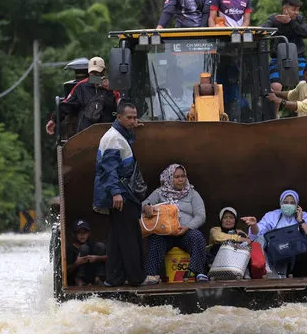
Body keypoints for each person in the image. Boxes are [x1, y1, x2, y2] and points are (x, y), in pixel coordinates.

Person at [92, 102, 159, 286]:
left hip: (122, 193)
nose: (133, 121)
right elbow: (109, 168)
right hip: (122, 195)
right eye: (129, 117)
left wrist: (132, 128)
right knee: (130, 236)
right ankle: (137, 278)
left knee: (117, 238)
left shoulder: (119, 135)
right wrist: (116, 193)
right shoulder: (114, 138)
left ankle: (114, 279)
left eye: (135, 117)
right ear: (118, 117)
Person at [142, 164, 209, 282]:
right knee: (155, 239)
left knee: (197, 237)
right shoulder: (159, 193)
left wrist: (188, 227)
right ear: (169, 178)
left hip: (185, 233)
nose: (181, 179)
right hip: (165, 234)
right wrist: (147, 207)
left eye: (183, 176)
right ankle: (151, 275)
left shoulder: (192, 193)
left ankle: (197, 273)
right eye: (177, 177)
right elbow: (144, 204)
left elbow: (201, 216)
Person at [242, 190, 307, 278]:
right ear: (280, 203)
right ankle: (267, 270)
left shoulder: (305, 216)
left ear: (297, 205)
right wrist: (254, 225)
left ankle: (298, 275)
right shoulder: (272, 215)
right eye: (285, 202)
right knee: (260, 238)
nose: (288, 205)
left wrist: (301, 221)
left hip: (298, 256)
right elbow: (257, 234)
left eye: (292, 203)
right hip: (277, 253)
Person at [261, 0, 307, 117]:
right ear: (285, 9)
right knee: (275, 86)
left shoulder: (299, 20)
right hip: (277, 58)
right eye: (294, 9)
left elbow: (306, 32)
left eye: (298, 10)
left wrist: (291, 22)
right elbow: (263, 29)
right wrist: (272, 28)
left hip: (298, 57)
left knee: (304, 85)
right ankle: (274, 115)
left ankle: (303, 114)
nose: (296, 12)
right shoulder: (273, 19)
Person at [46, 56, 120, 135]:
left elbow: (121, 107)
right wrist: (54, 120)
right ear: (88, 72)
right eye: (92, 72)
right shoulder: (81, 86)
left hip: (107, 133)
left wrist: (108, 88)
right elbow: (66, 105)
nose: (95, 75)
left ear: (104, 72)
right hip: (85, 133)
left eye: (98, 72)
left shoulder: (113, 88)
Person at [65, 219, 107, 286]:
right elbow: (66, 272)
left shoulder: (93, 245)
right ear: (74, 234)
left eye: (85, 232)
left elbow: (110, 258)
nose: (82, 235)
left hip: (91, 276)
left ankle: (98, 279)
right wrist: (76, 263)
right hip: (76, 278)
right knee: (84, 248)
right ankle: (80, 280)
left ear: (89, 233)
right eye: (79, 232)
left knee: (100, 246)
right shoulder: (70, 248)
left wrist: (98, 258)